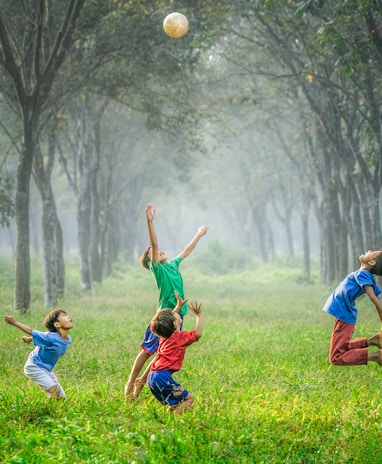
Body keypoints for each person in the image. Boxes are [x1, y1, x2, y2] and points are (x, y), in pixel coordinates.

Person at [124, 203, 208, 401]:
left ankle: (142, 382)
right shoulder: (158, 270)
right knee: (147, 351)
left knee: (165, 351)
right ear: (150, 261)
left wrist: (198, 234)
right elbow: (154, 244)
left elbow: (186, 251)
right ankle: (130, 384)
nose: (158, 251)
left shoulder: (172, 264)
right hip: (163, 317)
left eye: (159, 250)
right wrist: (149, 222)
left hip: (179, 314)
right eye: (153, 253)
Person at [323, 250, 382, 367]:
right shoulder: (365, 275)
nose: (369, 251)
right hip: (343, 314)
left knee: (336, 357)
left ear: (371, 262)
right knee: (342, 347)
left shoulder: (363, 274)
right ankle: (373, 340)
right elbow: (376, 300)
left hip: (343, 315)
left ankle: (376, 356)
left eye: (373, 253)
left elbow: (373, 298)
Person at [147, 292, 202, 414]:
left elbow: (169, 320)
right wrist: (199, 316)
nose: (176, 312)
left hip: (152, 377)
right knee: (189, 398)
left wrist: (177, 306)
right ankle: (174, 422)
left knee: (177, 402)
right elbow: (198, 334)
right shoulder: (179, 337)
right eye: (174, 313)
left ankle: (169, 417)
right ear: (175, 323)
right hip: (162, 377)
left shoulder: (164, 336)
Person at [4, 309, 73, 399]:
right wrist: (14, 322)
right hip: (34, 366)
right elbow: (31, 331)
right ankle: (46, 411)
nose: (68, 317)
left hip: (47, 370)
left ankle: (51, 409)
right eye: (63, 315)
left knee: (61, 397)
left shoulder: (68, 339)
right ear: (57, 324)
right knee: (54, 391)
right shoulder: (50, 337)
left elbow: (43, 337)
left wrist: (29, 339)